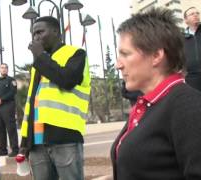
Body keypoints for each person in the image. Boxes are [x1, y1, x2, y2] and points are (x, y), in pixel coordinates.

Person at [110, 8, 201, 180]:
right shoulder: (149, 104)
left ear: (157, 55)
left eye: (125, 54)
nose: (118, 65)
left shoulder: (187, 106)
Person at [19, 16, 91, 180]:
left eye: (40, 32)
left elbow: (67, 80)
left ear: (56, 32)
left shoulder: (76, 54)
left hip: (65, 137)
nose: (36, 37)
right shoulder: (38, 65)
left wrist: (40, 56)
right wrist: (25, 141)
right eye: (34, 34)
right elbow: (32, 103)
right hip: (37, 142)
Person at [0, 63, 19, 157]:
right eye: (2, 68)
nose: (4, 69)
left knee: (11, 128)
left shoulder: (11, 80)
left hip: (8, 106)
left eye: (5, 68)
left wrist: (1, 99)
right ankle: (2, 149)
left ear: (7, 70)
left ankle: (15, 149)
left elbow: (13, 92)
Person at [183, 7, 201, 91]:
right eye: (192, 14)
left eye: (197, 13)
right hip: (191, 78)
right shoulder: (181, 38)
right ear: (186, 20)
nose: (196, 15)